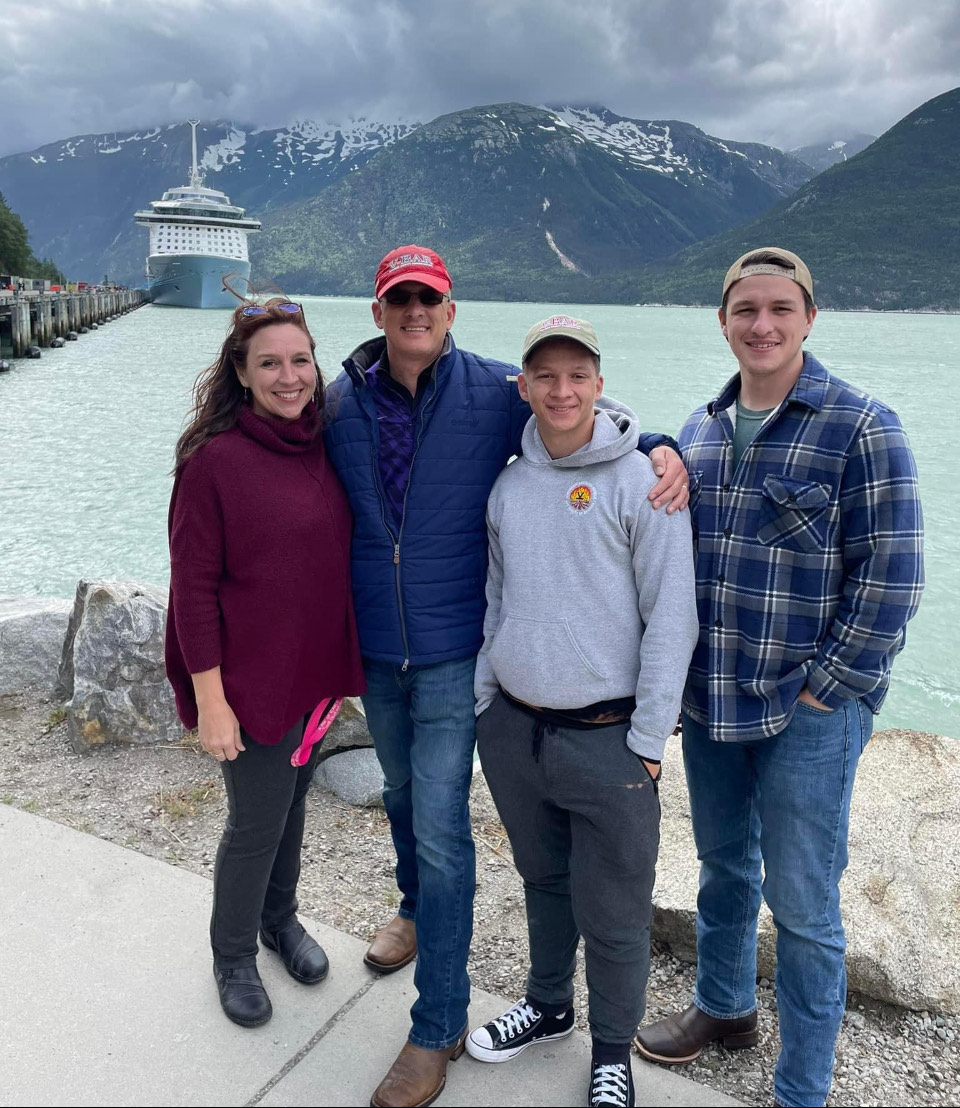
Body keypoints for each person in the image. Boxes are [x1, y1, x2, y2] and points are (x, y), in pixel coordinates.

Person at [323, 246, 690, 1108]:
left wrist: (662, 442)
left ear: (452, 311)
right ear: (379, 311)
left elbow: (583, 409)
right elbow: (276, 433)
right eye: (400, 297)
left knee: (451, 833)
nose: (416, 310)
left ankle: (437, 1025)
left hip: (458, 658)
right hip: (386, 650)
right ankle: (428, 918)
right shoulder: (338, 405)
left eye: (431, 298)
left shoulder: (495, 389)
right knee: (409, 798)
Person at [634, 248, 925, 1108]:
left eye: (780, 309)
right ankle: (724, 1009)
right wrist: (652, 441)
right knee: (724, 869)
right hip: (715, 700)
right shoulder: (697, 431)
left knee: (804, 905)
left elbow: (893, 580)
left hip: (810, 711)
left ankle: (803, 1084)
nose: (762, 325)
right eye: (745, 310)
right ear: (722, 321)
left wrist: (823, 690)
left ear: (808, 317)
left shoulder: (862, 426)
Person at [466, 317, 699, 1108]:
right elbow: (495, 601)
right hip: (515, 729)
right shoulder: (507, 485)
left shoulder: (643, 481)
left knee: (618, 906)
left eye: (578, 376)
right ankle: (549, 1005)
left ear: (601, 384)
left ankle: (610, 1053)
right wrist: (484, 701)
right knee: (543, 881)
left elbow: (673, 614)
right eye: (546, 377)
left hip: (610, 739)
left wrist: (648, 739)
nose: (561, 391)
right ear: (523, 387)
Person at [165, 297, 365, 1028]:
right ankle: (232, 954)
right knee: (254, 823)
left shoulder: (322, 440)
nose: (290, 376)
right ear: (242, 374)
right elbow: (190, 590)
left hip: (313, 677)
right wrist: (209, 700)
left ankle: (279, 923)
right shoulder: (212, 462)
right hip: (247, 684)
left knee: (290, 806)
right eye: (270, 363)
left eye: (300, 360)